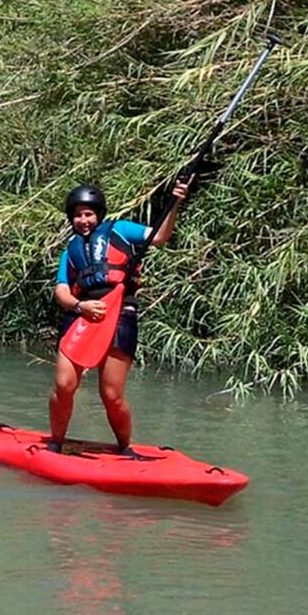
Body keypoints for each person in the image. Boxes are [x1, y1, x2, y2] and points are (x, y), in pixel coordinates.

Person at [49, 179, 191, 453]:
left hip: (119, 314)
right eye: (78, 215)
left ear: (98, 214)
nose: (83, 220)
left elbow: (159, 237)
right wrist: (81, 306)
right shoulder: (70, 250)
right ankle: (55, 444)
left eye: (88, 214)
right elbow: (62, 292)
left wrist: (176, 202)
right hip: (82, 315)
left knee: (111, 394)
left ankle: (125, 447)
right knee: (63, 385)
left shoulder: (121, 230)